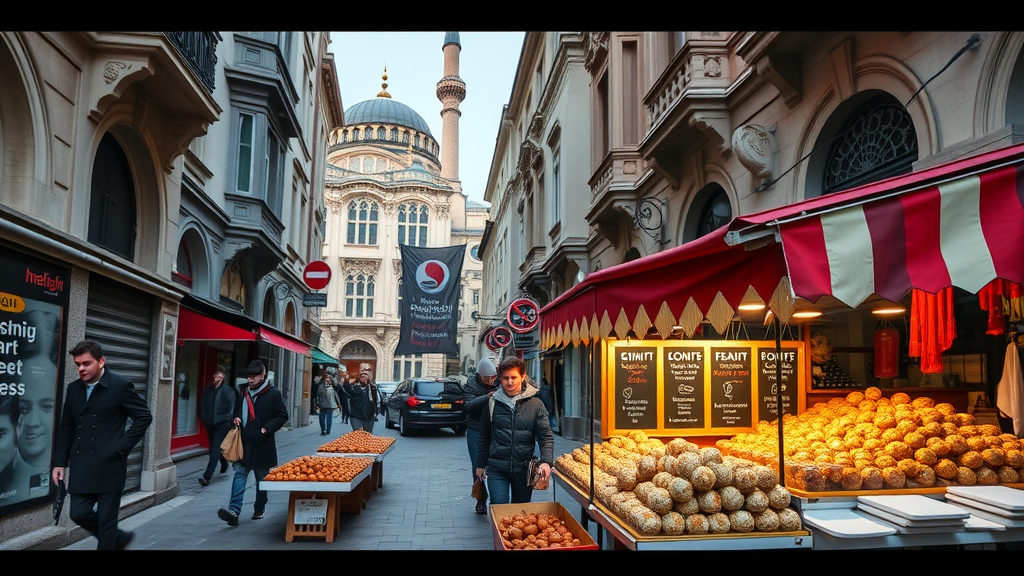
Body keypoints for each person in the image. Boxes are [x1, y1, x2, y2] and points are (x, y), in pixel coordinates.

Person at [51, 340, 153, 550]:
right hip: (82, 463)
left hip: (110, 464)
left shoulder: (120, 386)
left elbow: (144, 416)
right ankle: (119, 538)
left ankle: (112, 538)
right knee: (78, 513)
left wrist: (121, 447)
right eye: (78, 364)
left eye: (86, 363)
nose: (81, 368)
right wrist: (59, 463)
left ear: (101, 362)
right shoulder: (74, 389)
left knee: (107, 523)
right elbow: (66, 427)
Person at [217, 359, 288, 526]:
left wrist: (265, 429)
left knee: (261, 480)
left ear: (263, 375)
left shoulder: (273, 394)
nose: (251, 380)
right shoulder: (243, 392)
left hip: (262, 444)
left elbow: (282, 416)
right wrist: (235, 418)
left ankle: (259, 507)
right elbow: (237, 411)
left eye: (254, 377)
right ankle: (234, 511)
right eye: (249, 377)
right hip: (244, 443)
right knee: (240, 475)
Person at [475, 356, 553, 505]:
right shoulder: (492, 403)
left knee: (520, 512)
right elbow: (484, 436)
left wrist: (546, 461)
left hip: (523, 469)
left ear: (523, 377)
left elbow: (545, 435)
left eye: (514, 377)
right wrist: (480, 464)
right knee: (499, 508)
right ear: (500, 378)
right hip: (497, 468)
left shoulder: (535, 404)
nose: (510, 382)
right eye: (505, 378)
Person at [462, 357, 499, 514]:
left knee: (496, 463)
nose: (491, 380)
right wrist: (486, 397)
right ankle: (481, 499)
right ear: (480, 376)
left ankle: (498, 498)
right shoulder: (471, 384)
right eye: (487, 378)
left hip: (495, 429)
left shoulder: (500, 382)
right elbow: (468, 406)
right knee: (478, 464)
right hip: (476, 428)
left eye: (493, 377)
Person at [198, 366, 238, 486]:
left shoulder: (228, 391)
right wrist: (205, 419)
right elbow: (202, 406)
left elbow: (229, 409)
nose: (218, 378)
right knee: (213, 448)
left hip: (222, 425)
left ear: (224, 377)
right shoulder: (208, 390)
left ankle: (207, 477)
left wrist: (222, 419)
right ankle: (224, 462)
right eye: (216, 376)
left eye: (220, 376)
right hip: (210, 424)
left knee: (215, 449)